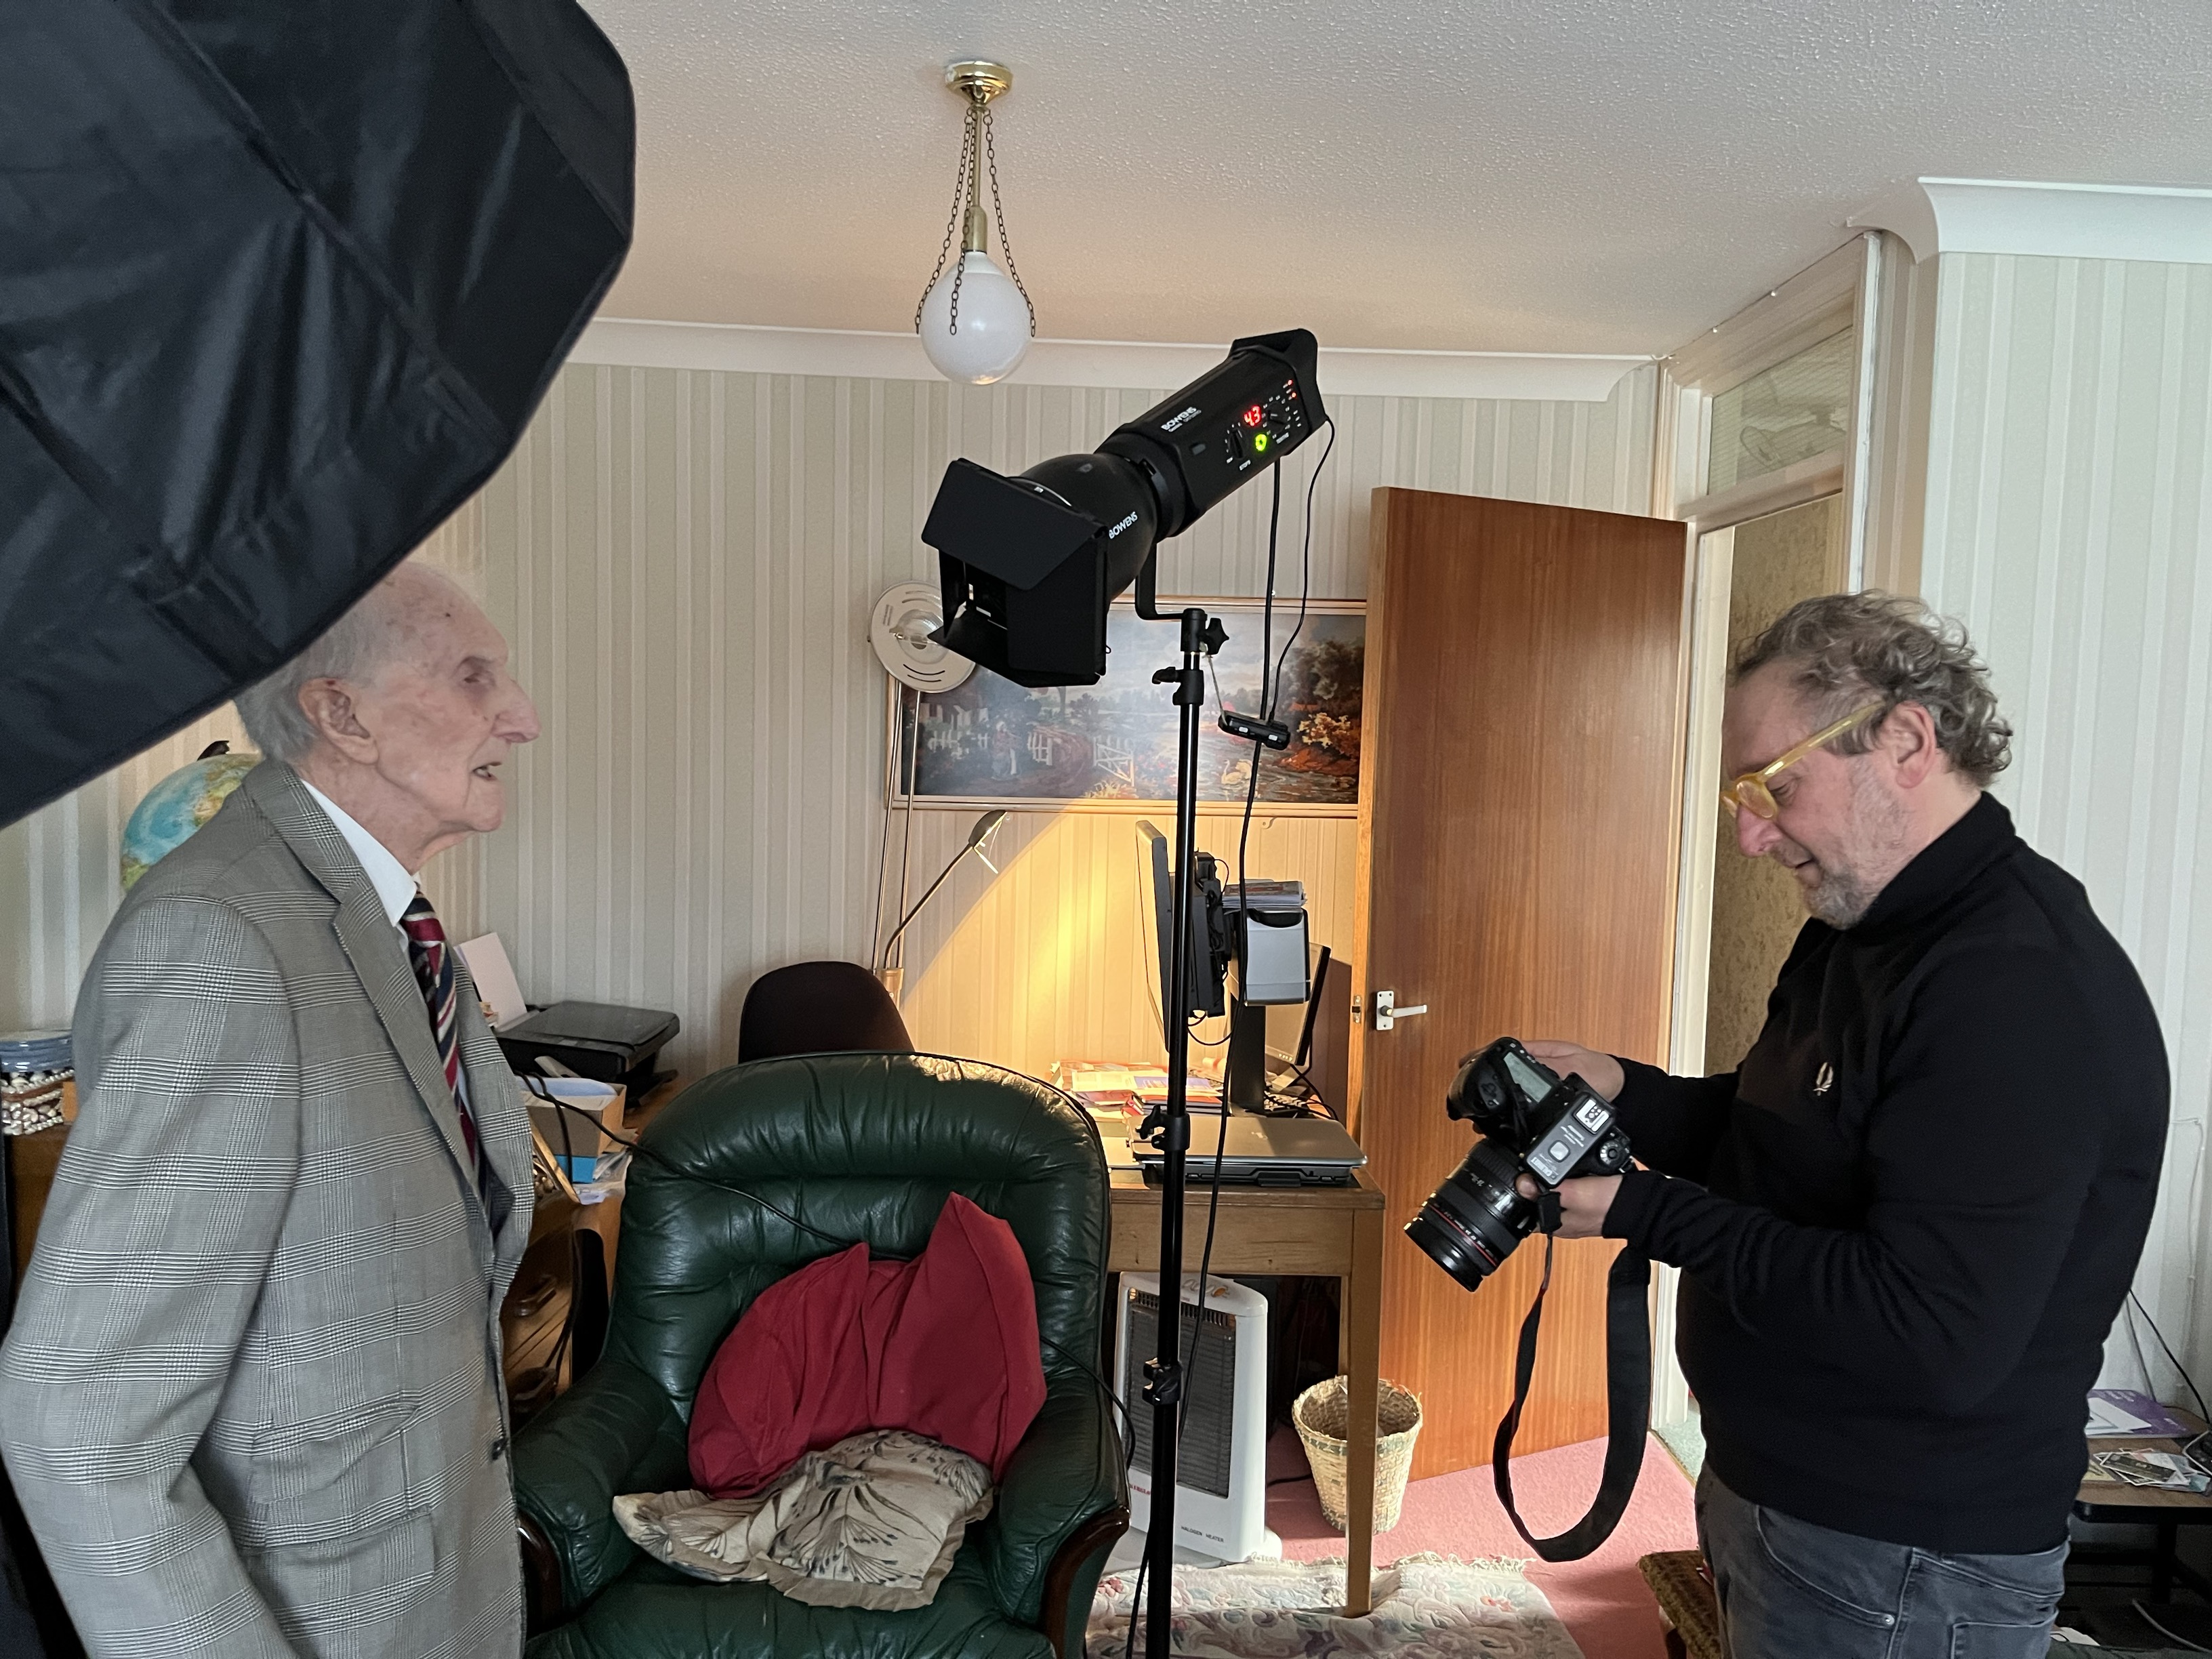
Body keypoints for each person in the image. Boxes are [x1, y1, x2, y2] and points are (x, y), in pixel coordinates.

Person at [1523, 592, 2165, 1659]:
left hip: (1907, 1557)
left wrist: (1648, 1212)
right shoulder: (1860, 930)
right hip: (1789, 1505)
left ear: (1906, 742)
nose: (1749, 834)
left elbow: (1928, 1333)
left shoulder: (2015, 987)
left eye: (1777, 786)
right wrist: (1623, 1090)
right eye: (1740, 794)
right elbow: (1779, 1137)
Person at [0, 563, 543, 1658]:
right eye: (473, 676)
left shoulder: (386, 920)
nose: (521, 717)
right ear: (341, 714)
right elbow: (83, 1434)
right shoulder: (218, 942)